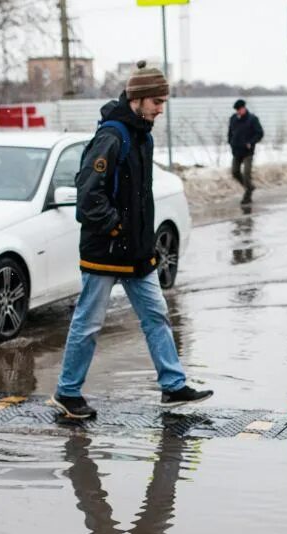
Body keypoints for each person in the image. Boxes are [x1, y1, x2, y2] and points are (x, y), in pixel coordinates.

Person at [55, 61, 213, 419]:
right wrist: (116, 229)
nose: (160, 109)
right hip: (106, 250)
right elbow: (88, 196)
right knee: (89, 323)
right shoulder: (112, 137)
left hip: (137, 251)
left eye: (163, 101)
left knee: (156, 315)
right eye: (156, 101)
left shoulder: (143, 135)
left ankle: (173, 387)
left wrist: (140, 239)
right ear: (137, 99)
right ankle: (67, 393)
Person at [227, 98, 264, 204]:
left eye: (240, 109)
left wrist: (251, 142)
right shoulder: (233, 119)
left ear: (244, 108)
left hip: (248, 151)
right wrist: (230, 142)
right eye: (237, 110)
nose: (238, 111)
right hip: (237, 150)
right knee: (235, 172)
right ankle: (250, 187)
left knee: (247, 174)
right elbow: (230, 132)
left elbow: (259, 133)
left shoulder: (252, 119)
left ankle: (247, 195)